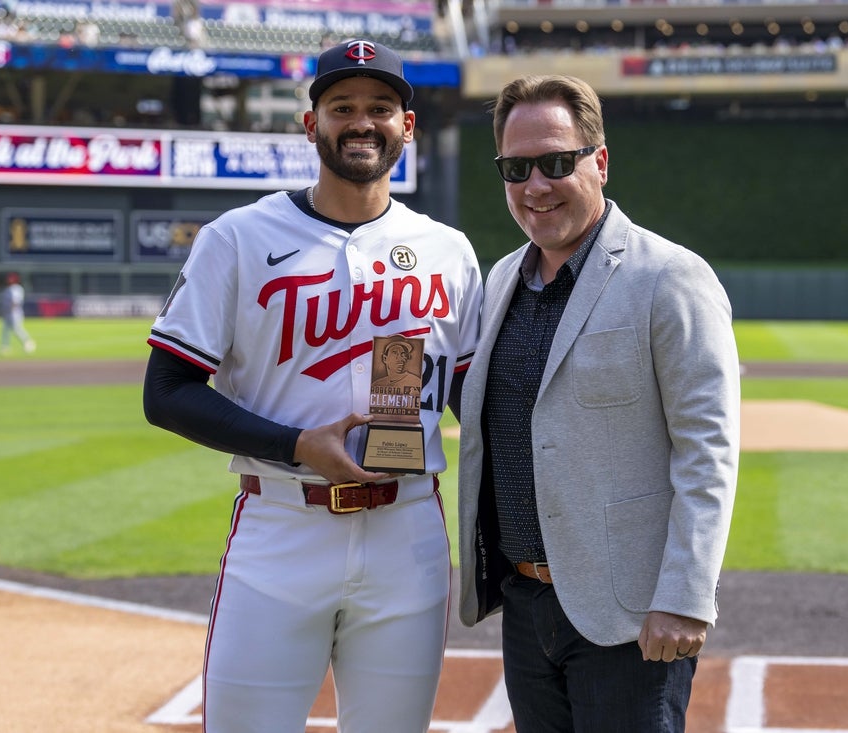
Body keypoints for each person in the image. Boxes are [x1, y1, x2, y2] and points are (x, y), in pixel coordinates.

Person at [142, 39, 482, 733]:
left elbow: (477, 403)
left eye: (380, 107)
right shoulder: (237, 237)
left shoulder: (448, 252)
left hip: (406, 534)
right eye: (341, 107)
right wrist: (297, 444)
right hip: (281, 528)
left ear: (407, 127)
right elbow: (167, 391)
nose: (362, 122)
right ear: (311, 124)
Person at [456, 74, 741, 732]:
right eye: (516, 168)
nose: (536, 185)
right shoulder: (500, 279)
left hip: (630, 616)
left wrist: (685, 595)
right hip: (525, 605)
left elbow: (707, 450)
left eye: (557, 162)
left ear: (600, 161)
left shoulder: (669, 276)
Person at [0, 272, 36, 354]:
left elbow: (15, 301)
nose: (9, 280)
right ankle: (5, 347)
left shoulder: (16, 289)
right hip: (7, 313)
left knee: (17, 329)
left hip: (14, 313)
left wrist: (11, 310)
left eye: (11, 279)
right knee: (5, 330)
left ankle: (28, 341)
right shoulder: (8, 289)